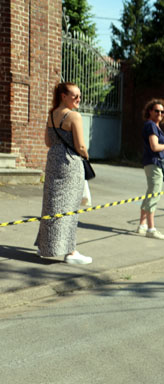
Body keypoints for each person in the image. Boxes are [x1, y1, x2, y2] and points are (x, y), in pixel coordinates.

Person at [36, 82, 92, 264]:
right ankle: (71, 251)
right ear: (63, 96)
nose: (79, 99)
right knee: (69, 207)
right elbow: (81, 145)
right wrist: (86, 154)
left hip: (53, 160)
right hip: (70, 163)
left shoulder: (51, 115)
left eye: (80, 96)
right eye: (75, 96)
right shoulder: (74, 116)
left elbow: (47, 142)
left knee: (52, 204)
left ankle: (46, 246)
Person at [136, 99, 164, 240]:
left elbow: (158, 147)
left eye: (162, 111)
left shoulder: (155, 126)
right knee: (154, 195)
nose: (160, 114)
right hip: (154, 163)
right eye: (156, 111)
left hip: (153, 163)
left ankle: (142, 225)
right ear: (150, 111)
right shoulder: (151, 126)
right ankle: (151, 228)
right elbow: (154, 147)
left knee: (151, 193)